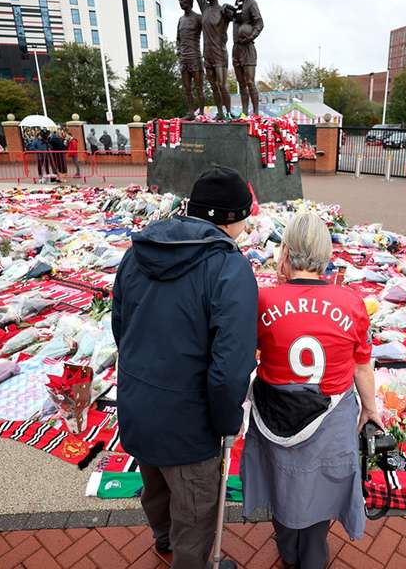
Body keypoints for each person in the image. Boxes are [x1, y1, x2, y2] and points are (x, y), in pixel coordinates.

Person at [112, 166, 257, 569]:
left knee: (155, 484)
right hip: (190, 421)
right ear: (232, 219)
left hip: (140, 402)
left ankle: (163, 539)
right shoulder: (229, 268)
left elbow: (120, 327)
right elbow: (231, 367)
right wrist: (227, 422)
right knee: (196, 512)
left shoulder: (137, 252)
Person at [241, 212, 379, 569]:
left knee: (282, 487)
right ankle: (312, 554)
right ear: (326, 252)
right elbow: (362, 365)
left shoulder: (264, 300)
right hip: (330, 417)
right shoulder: (351, 302)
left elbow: (246, 354)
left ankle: (288, 549)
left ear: (285, 251)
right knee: (318, 493)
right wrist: (370, 409)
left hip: (276, 415)